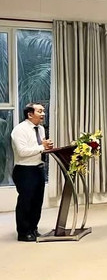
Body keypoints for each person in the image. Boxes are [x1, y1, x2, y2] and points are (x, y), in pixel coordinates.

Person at [11, 102, 54, 242]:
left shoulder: (40, 129)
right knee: (26, 202)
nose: (43, 114)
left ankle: (33, 229)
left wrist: (46, 147)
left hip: (38, 168)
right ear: (30, 114)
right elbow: (22, 152)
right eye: (40, 111)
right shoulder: (19, 130)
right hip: (25, 170)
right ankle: (23, 233)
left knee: (37, 201)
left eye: (43, 111)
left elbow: (39, 147)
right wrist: (42, 147)